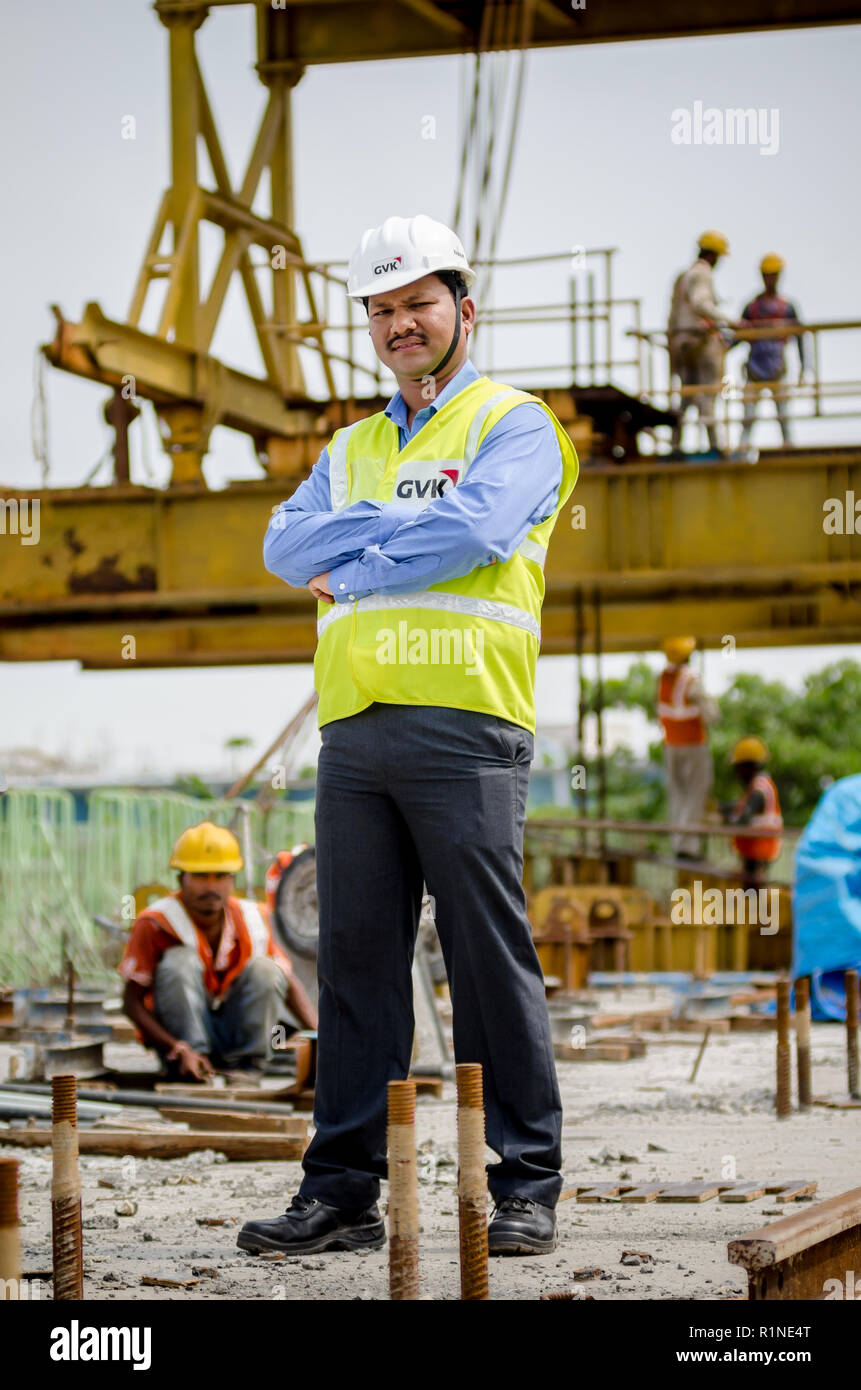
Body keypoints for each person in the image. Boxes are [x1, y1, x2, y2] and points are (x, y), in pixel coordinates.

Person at [241, 213, 578, 1259]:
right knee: (356, 972)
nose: (400, 323)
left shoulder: (513, 426)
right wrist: (402, 538)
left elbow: (478, 531)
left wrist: (365, 551)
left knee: (488, 961)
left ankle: (525, 1185)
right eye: (382, 309)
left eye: (418, 303)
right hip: (356, 734)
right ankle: (341, 1191)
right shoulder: (350, 446)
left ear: (462, 311)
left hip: (468, 729)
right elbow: (282, 542)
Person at [119, 821, 317, 1079]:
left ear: (232, 880)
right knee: (179, 962)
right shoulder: (155, 922)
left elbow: (288, 983)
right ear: (181, 879)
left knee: (267, 969)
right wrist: (176, 1048)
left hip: (233, 1035)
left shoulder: (252, 918)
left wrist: (319, 1036)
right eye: (201, 876)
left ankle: (248, 1066)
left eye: (220, 876)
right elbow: (130, 1003)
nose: (211, 887)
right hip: (181, 1049)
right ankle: (195, 1061)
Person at [734, 254, 807, 458]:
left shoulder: (787, 308)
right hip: (754, 370)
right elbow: (738, 335)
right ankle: (741, 454)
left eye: (773, 275)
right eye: (767, 276)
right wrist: (721, 345)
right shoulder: (752, 307)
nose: (770, 280)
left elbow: (801, 336)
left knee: (783, 415)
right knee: (748, 417)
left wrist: (805, 367)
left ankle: (789, 450)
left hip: (777, 369)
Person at [667, 230, 732, 456]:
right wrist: (729, 321)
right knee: (707, 395)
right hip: (701, 342)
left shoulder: (682, 277)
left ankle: (675, 444)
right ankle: (714, 446)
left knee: (685, 397)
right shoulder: (702, 274)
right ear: (713, 256)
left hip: (682, 343)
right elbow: (700, 302)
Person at [657, 636, 718, 859]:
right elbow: (712, 715)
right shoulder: (691, 679)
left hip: (671, 745)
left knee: (678, 795)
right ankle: (689, 846)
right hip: (693, 745)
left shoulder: (663, 679)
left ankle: (679, 843)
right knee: (695, 793)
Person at [721, 737, 783, 888]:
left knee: (752, 894)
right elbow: (740, 806)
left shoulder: (759, 789)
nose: (737, 773)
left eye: (739, 767)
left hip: (759, 851)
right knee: (750, 894)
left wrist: (723, 821)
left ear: (748, 766)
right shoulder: (758, 786)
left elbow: (743, 819)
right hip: (757, 850)